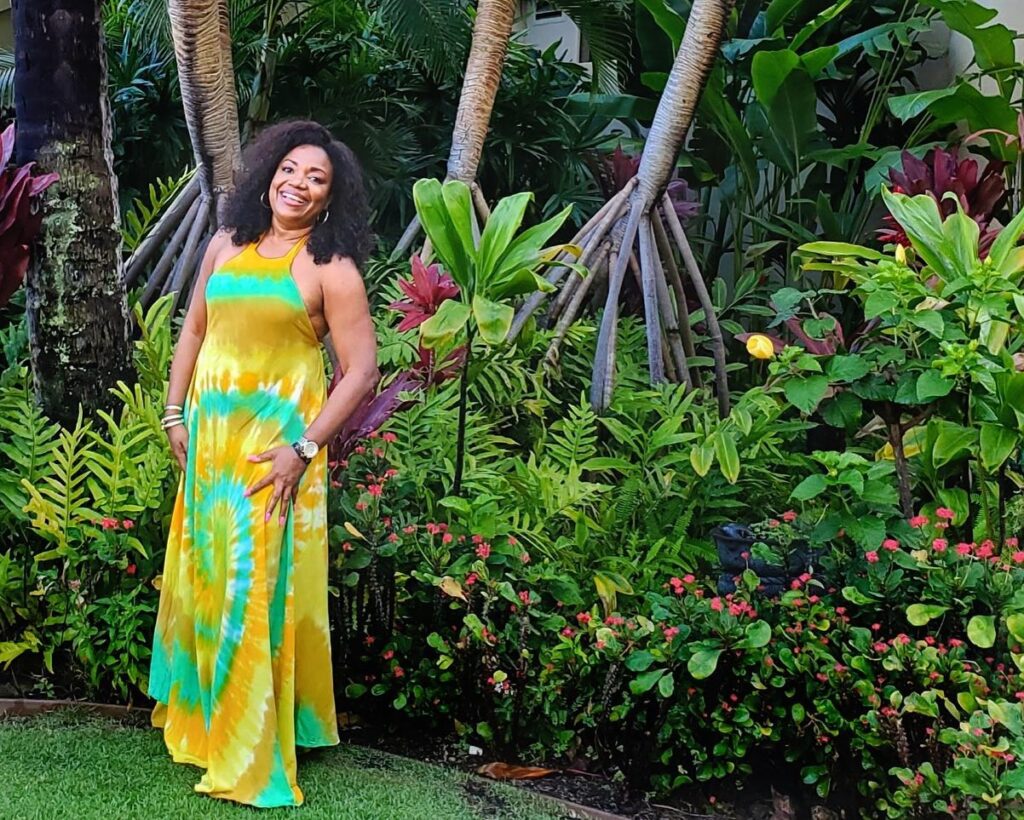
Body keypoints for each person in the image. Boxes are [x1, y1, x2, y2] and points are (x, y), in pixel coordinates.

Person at [148, 120, 380, 808]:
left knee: (252, 587)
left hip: (273, 455)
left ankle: (250, 752)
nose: (298, 184)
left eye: (317, 179)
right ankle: (204, 723)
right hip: (210, 446)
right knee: (210, 577)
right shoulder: (226, 243)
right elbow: (195, 328)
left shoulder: (331, 268)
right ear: (267, 173)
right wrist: (172, 412)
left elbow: (362, 371)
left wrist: (304, 450)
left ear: (331, 198)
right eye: (289, 169)